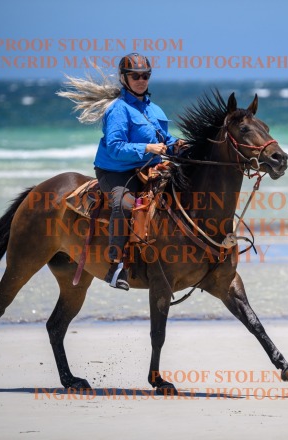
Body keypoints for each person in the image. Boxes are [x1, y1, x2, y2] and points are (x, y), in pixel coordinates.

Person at [93, 53, 185, 290]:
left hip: (148, 169)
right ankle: (115, 266)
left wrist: (177, 144)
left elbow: (165, 138)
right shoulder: (118, 110)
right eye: (135, 76)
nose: (141, 80)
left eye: (145, 76)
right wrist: (146, 148)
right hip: (116, 171)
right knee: (124, 204)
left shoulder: (153, 109)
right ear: (124, 78)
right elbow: (115, 148)